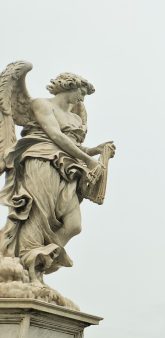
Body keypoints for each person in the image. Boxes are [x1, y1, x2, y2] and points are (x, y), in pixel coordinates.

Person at [0, 65, 115, 284]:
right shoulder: (41, 104)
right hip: (40, 161)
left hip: (67, 168)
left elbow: (71, 143)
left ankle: (41, 261)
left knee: (73, 225)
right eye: (81, 91)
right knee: (36, 217)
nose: (82, 98)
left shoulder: (75, 118)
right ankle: (29, 269)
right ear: (68, 86)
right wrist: (89, 161)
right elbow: (54, 135)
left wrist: (94, 151)